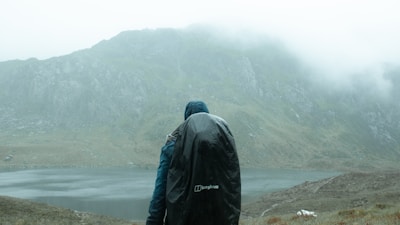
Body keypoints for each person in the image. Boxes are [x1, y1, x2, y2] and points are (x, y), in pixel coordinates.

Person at [146, 101, 210, 225]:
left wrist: (153, 221)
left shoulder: (172, 148)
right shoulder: (218, 146)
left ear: (186, 119)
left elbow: (160, 194)